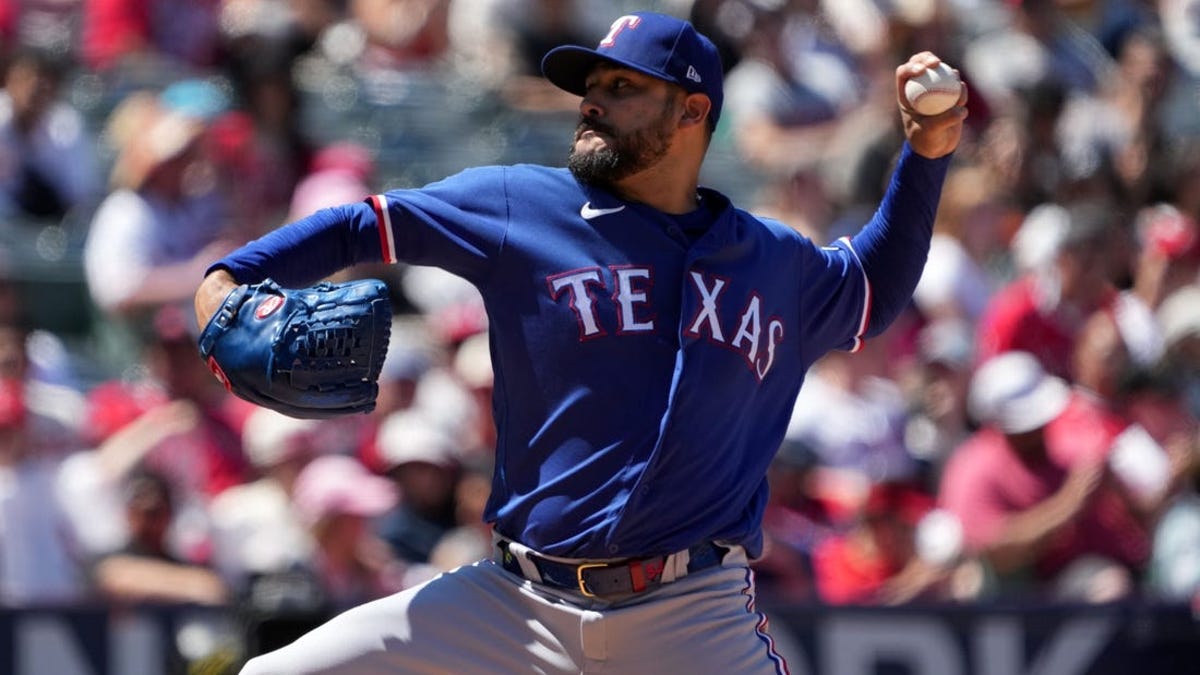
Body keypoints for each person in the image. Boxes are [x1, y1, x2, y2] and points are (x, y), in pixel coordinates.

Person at [194, 11, 966, 674]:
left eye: (622, 89)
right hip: (510, 603)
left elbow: (872, 288)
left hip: (691, 614)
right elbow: (368, 221)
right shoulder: (521, 204)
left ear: (692, 111)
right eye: (590, 89)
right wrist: (232, 275)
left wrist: (925, 157)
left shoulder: (773, 260)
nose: (592, 104)